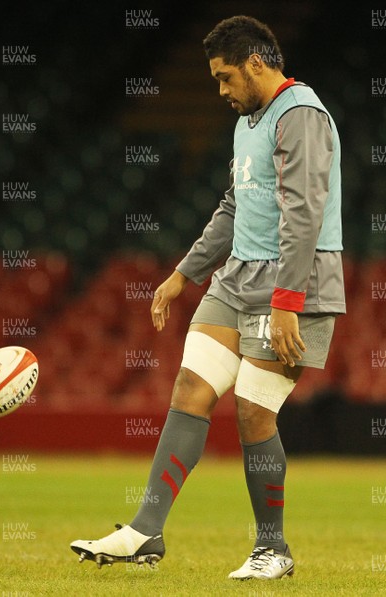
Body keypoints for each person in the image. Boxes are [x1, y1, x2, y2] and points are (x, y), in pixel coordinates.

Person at [70, 14, 345, 580]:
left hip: (295, 284)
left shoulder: (301, 116)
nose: (220, 91)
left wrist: (288, 301)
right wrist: (183, 274)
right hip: (236, 279)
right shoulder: (249, 122)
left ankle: (274, 549)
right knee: (191, 387)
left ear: (256, 63)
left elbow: (305, 213)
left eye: (225, 78)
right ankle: (145, 531)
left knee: (251, 410)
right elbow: (233, 206)